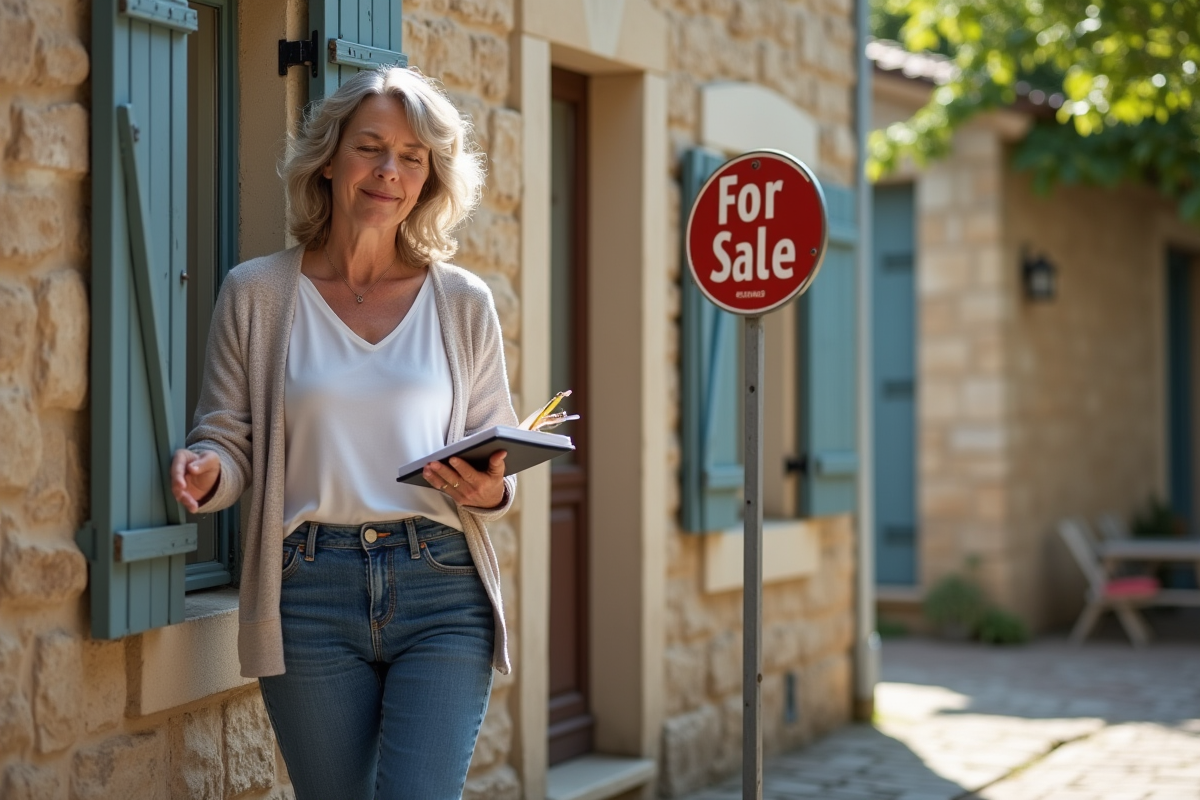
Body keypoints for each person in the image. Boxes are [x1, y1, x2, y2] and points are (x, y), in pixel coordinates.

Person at [170, 66, 517, 800]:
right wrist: (206, 468)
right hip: (307, 590)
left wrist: (493, 488)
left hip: (442, 587)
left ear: (429, 178)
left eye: (412, 156)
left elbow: (496, 449)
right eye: (371, 148)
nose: (389, 171)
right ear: (329, 159)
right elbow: (228, 439)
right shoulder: (257, 293)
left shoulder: (463, 302)